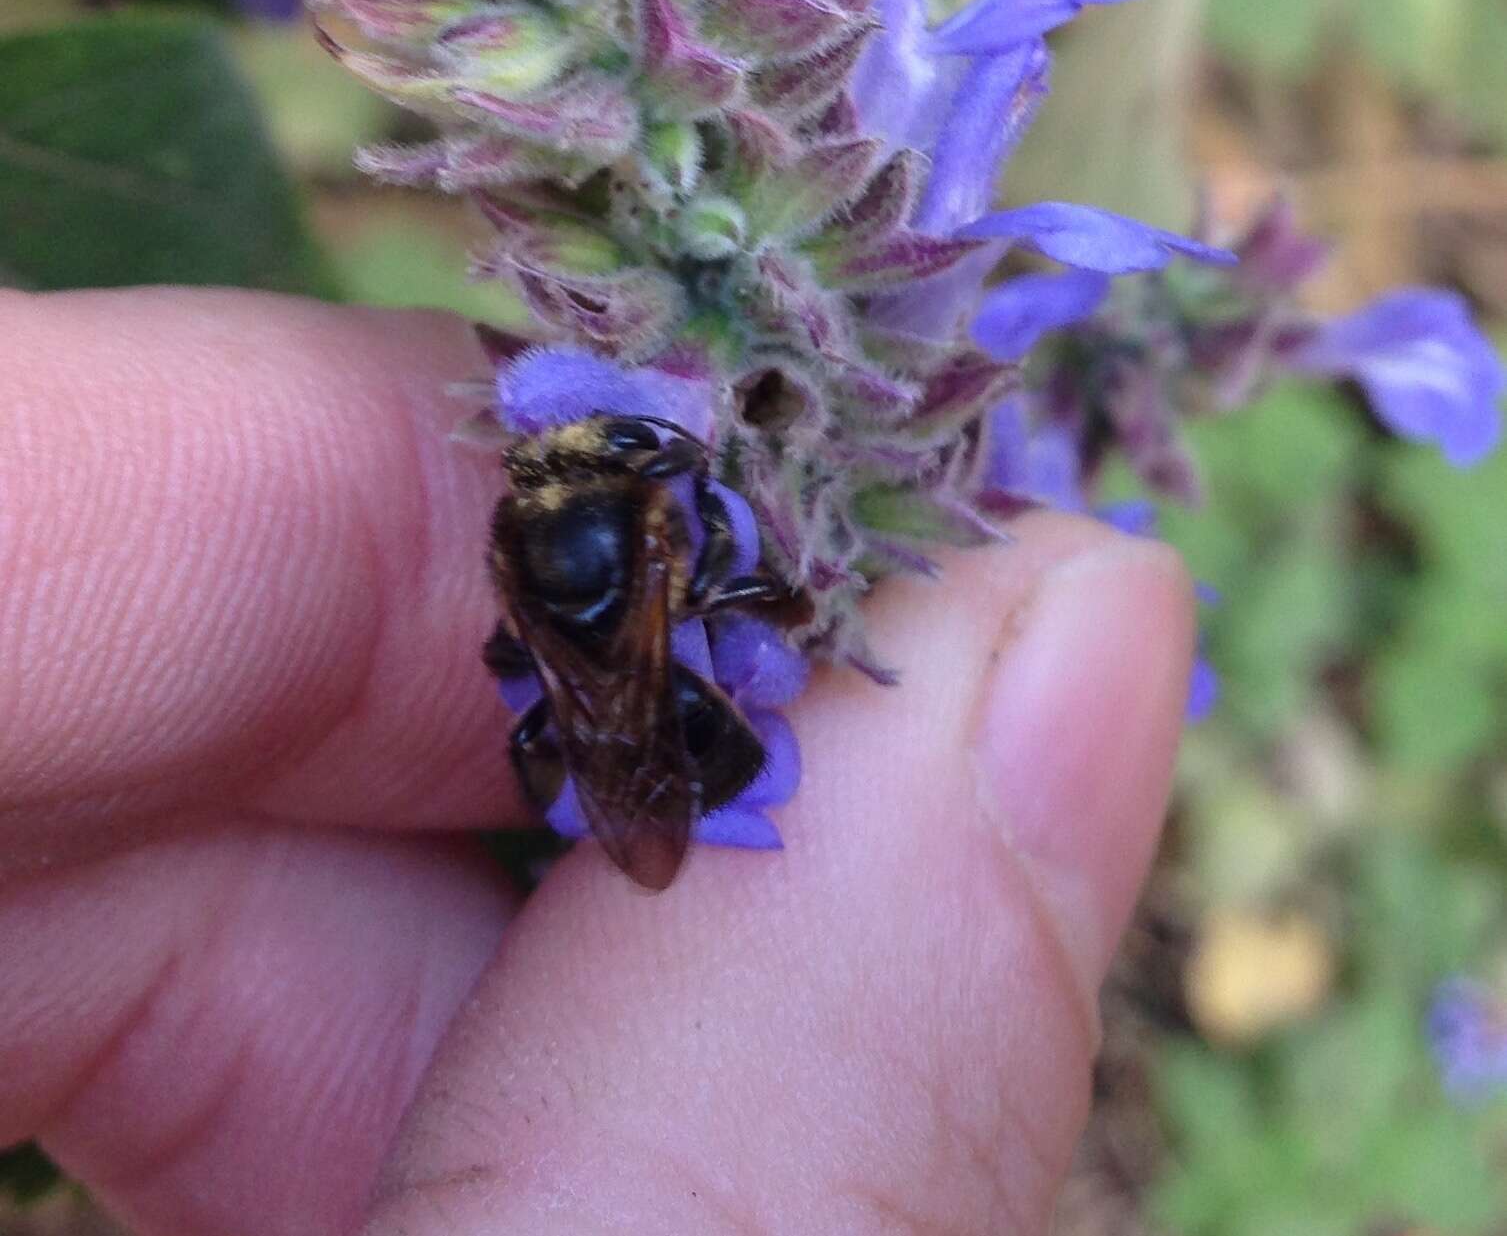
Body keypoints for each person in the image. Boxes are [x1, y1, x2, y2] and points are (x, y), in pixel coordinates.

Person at [0, 287, 1195, 1235]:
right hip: (687, 754)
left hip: (618, 743)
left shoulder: (562, 553)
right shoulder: (661, 548)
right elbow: (716, 582)